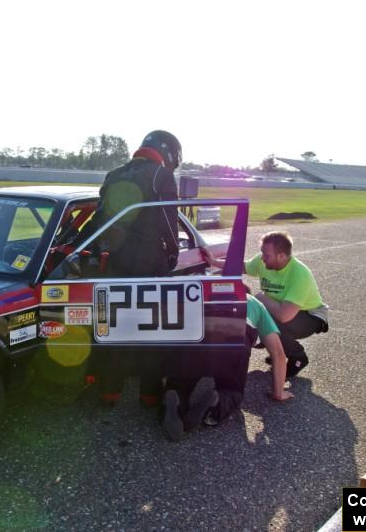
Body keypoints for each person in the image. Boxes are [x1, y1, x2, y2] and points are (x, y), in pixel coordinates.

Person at [76, 130, 182, 406]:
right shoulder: (162, 176)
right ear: (169, 154)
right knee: (151, 331)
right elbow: (169, 223)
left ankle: (109, 391)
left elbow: (100, 219)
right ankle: (149, 394)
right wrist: (173, 254)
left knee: (113, 327)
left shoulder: (114, 174)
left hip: (114, 263)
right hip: (149, 265)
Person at [162, 293, 293, 441]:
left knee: (182, 381)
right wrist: (278, 392)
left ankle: (175, 395)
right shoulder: (256, 304)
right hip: (237, 333)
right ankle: (217, 403)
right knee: (232, 390)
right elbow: (278, 353)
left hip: (199, 329)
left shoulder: (203, 291)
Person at [245, 231, 328, 380]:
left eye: (267, 255)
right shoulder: (263, 259)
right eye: (262, 253)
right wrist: (213, 262)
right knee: (257, 319)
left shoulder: (300, 274)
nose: (262, 258)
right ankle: (280, 351)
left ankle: (298, 357)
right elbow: (242, 266)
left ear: (282, 256)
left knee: (269, 321)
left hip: (309, 315)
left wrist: (261, 298)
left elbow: (284, 315)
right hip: (282, 309)